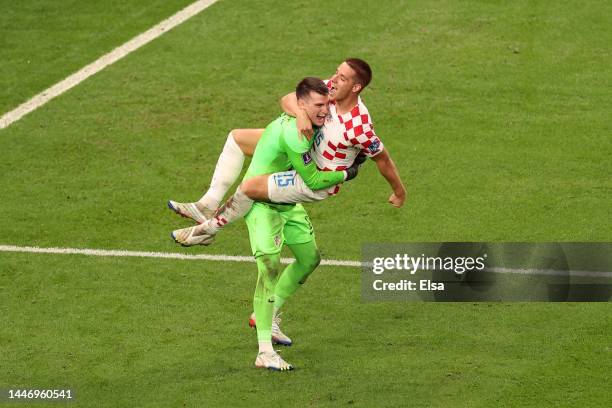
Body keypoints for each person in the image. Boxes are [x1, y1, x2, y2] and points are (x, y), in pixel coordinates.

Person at [178, 77, 364, 371]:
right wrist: (347, 173)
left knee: (309, 258)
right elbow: (314, 181)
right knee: (268, 269)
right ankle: (265, 351)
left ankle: (269, 309)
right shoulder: (294, 134)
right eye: (318, 106)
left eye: (326, 105)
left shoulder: (306, 116)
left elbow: (290, 100)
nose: (325, 111)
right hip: (261, 205)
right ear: (303, 106)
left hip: (286, 202)